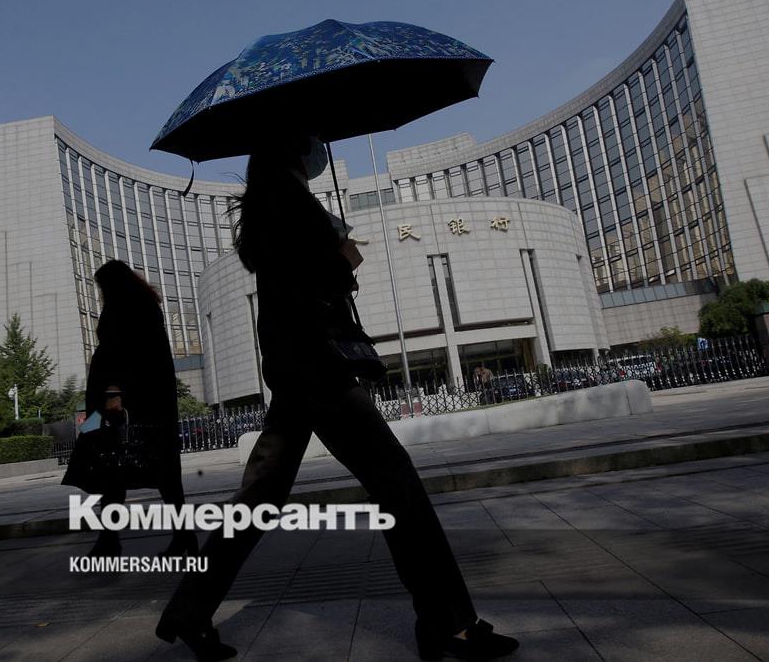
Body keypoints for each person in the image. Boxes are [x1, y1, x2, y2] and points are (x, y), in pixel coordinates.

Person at [155, 137, 519, 661]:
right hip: (317, 367)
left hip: (293, 367)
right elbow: (311, 280)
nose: (316, 150)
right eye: (310, 141)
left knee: (259, 498)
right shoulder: (289, 201)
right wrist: (343, 259)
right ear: (295, 152)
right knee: (397, 484)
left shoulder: (267, 203)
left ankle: (189, 611)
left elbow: (290, 281)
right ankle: (450, 623)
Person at [67, 259, 197, 559]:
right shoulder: (145, 305)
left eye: (102, 286)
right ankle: (178, 536)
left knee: (110, 467)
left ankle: (111, 540)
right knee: (159, 470)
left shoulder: (124, 307)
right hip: (143, 403)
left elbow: (120, 354)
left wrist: (113, 394)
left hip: (117, 404)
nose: (100, 292)